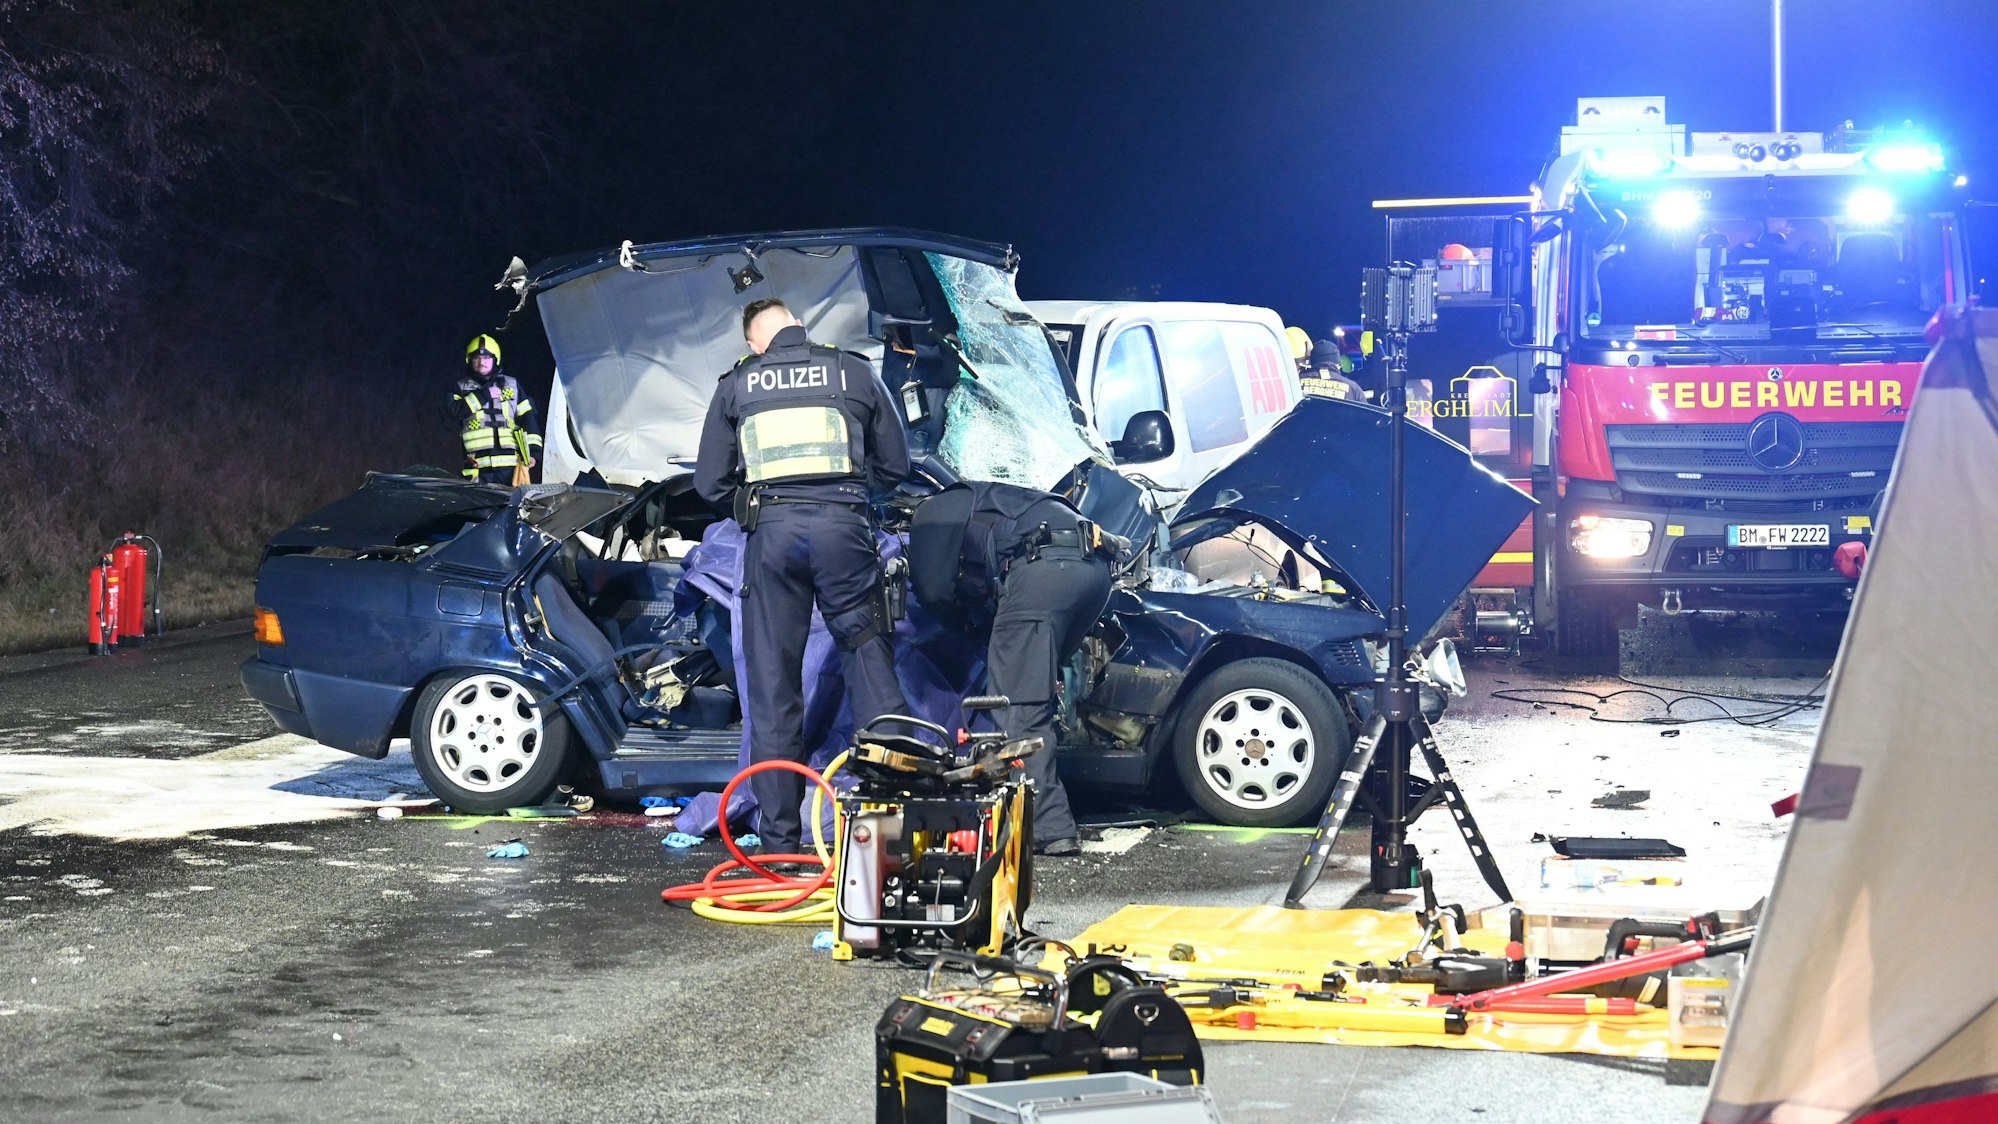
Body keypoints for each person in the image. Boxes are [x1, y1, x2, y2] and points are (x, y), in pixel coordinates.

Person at [693, 298, 913, 862]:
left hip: (773, 535)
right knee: (868, 661)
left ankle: (780, 847)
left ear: (753, 342)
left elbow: (710, 483)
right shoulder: (852, 369)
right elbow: (895, 465)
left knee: (773, 685)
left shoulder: (739, 383)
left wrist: (756, 507)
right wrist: (853, 498)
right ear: (798, 323)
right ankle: (888, 832)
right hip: (845, 531)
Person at [906, 480, 1119, 856]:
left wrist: (968, 631)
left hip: (1044, 570)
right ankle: (1025, 804)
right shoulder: (989, 499)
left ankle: (1049, 830)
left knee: (1017, 705)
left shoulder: (932, 513)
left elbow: (935, 590)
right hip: (1095, 571)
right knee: (1035, 693)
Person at [455, 334, 542, 485]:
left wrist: (534, 453)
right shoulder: (460, 388)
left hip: (510, 466)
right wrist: (484, 395)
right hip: (478, 467)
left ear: (495, 359)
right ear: (469, 360)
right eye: (477, 358)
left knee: (513, 507)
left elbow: (528, 419)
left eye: (487, 358)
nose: (482, 362)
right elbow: (453, 414)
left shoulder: (512, 385)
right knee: (480, 508)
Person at [1300, 338, 1367, 402]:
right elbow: (1364, 413)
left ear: (1311, 362)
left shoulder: (1297, 382)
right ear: (1337, 363)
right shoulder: (1353, 389)